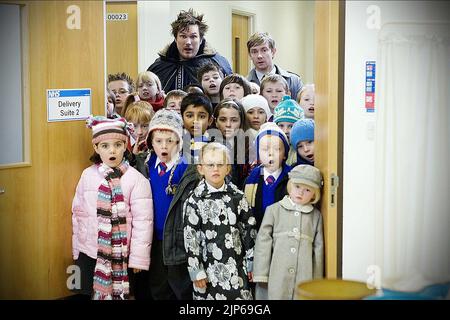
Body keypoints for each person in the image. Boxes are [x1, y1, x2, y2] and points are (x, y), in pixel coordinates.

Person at [71, 116, 153, 300]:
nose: (112, 150)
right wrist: (77, 247)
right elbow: (78, 213)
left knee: (123, 295)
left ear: (125, 146)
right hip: (90, 250)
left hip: (122, 254)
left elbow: (143, 222)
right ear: (96, 148)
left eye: (117, 144)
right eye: (105, 146)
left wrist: (138, 257)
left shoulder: (136, 179)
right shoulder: (87, 175)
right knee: (89, 292)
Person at [183, 142, 257, 300]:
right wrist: (196, 271)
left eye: (220, 164)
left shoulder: (237, 196)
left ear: (228, 168)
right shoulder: (194, 200)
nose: (215, 169)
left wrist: (252, 261)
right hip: (208, 270)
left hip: (237, 268)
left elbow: (249, 229)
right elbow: (191, 238)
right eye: (210, 165)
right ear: (201, 168)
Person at [134, 109, 191, 300]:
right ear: (151, 142)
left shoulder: (187, 169)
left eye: (170, 141)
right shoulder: (144, 165)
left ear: (179, 142)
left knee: (179, 288)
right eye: (158, 141)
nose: (164, 146)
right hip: (152, 239)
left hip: (177, 240)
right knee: (157, 287)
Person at [253, 164, 324, 300]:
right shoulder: (274, 210)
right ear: (290, 186)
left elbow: (318, 251)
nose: (301, 193)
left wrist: (317, 282)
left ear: (315, 194)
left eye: (307, 190)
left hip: (304, 276)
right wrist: (261, 273)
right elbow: (263, 243)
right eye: (297, 187)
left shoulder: (316, 217)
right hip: (276, 274)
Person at [147, 8, 232, 92]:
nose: (188, 42)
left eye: (193, 36)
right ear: (176, 39)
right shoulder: (159, 67)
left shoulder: (217, 64)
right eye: (183, 36)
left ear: (201, 39)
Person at [244, 122, 291, 231]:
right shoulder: (251, 180)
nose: (271, 154)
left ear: (284, 154)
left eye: (277, 149)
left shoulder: (291, 178)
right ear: (258, 154)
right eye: (265, 149)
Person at [246, 31, 303, 100]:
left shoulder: (293, 81)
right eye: (254, 52)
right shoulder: (245, 84)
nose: (259, 56)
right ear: (250, 55)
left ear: (273, 52)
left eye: (264, 50)